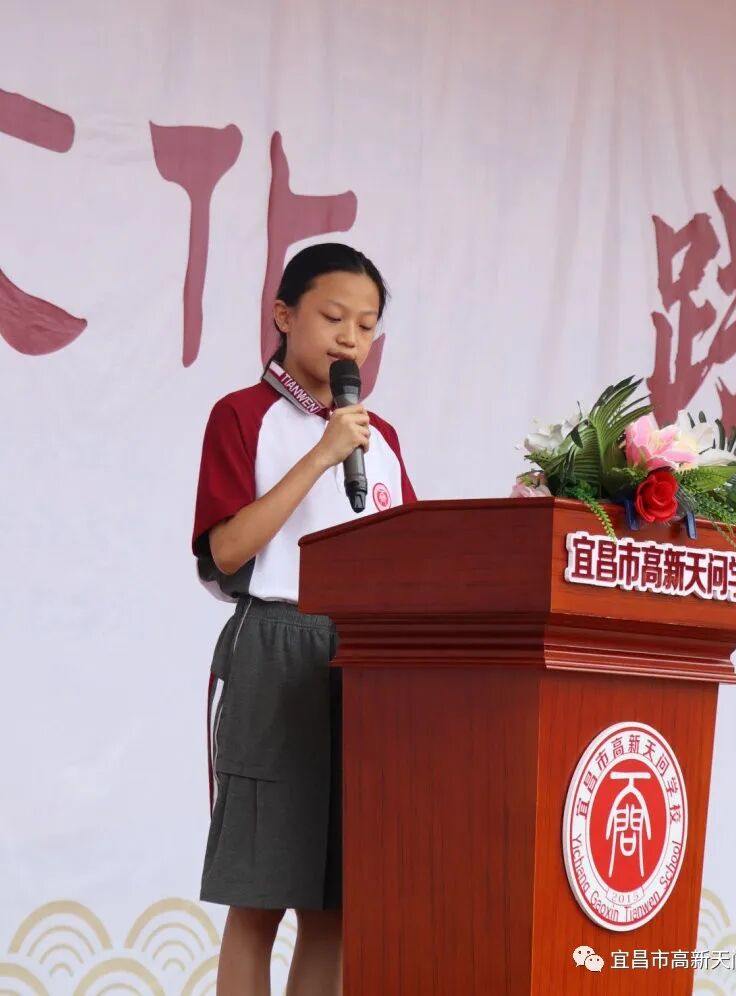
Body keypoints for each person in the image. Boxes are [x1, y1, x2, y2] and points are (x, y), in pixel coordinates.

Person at [191, 243, 416, 996]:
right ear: (284, 316)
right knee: (261, 894)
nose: (351, 337)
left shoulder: (381, 439)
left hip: (365, 659)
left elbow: (411, 558)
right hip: (275, 647)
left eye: (367, 325)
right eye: (333, 317)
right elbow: (225, 552)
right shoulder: (242, 416)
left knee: (338, 901)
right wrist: (321, 455)